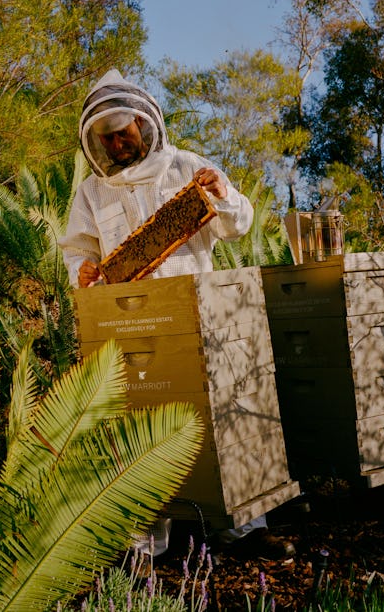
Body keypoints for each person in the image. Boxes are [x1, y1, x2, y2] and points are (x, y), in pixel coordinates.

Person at [60, 68, 296, 560]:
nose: (119, 144)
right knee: (139, 423)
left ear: (145, 125)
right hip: (131, 324)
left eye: (125, 132)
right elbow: (77, 250)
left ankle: (244, 529)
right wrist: (82, 269)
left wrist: (222, 193)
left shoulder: (186, 165)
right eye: (109, 138)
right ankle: (146, 544)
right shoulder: (91, 192)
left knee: (220, 415)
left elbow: (241, 223)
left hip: (195, 312)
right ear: (95, 142)